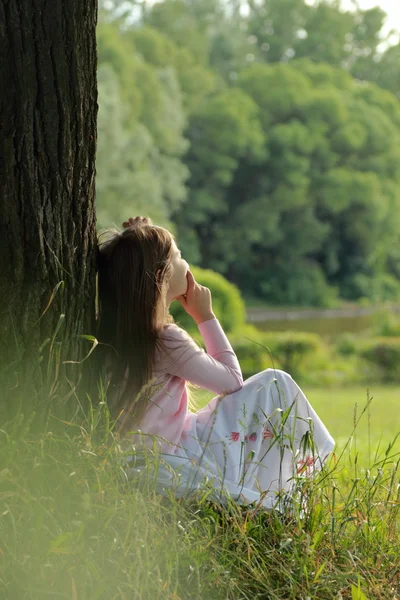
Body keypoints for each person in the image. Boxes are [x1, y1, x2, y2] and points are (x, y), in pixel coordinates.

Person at [96, 216, 335, 510]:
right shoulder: (164, 340)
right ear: (161, 276)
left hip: (137, 457)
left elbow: (133, 265)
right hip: (175, 454)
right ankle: (301, 478)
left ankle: (288, 481)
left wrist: (136, 235)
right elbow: (231, 381)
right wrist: (204, 316)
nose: (186, 264)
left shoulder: (113, 333)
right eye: (179, 256)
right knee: (276, 383)